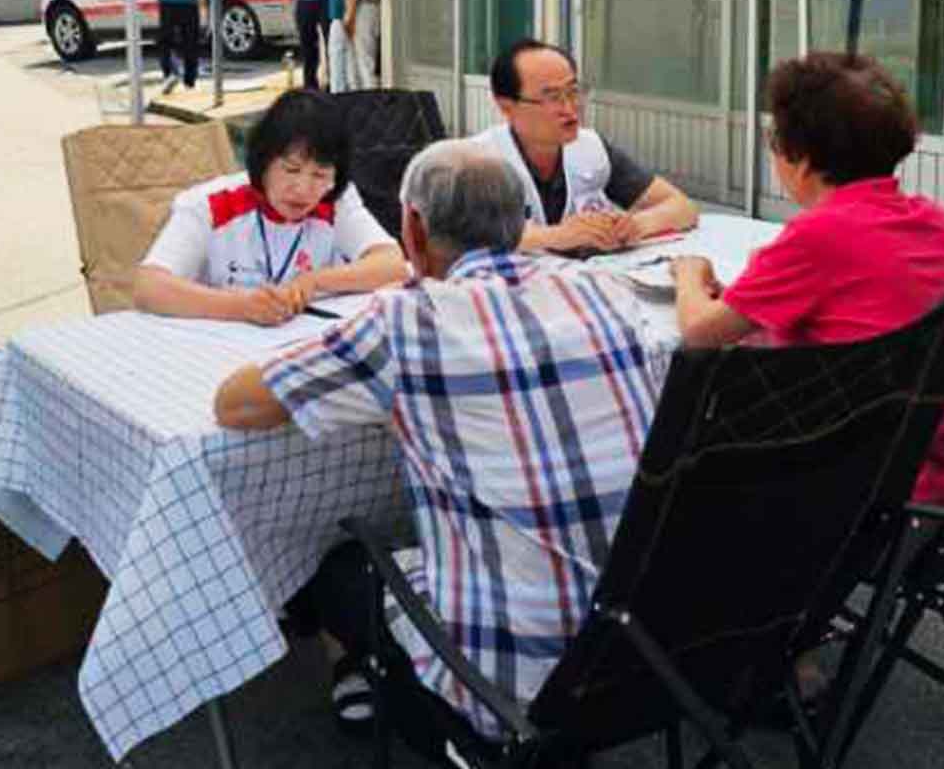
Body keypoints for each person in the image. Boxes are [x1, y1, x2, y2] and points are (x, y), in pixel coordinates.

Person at [214, 140, 661, 764]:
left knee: (335, 561)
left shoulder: (406, 322)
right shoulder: (604, 292)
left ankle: (436, 728)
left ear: (414, 228)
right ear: (518, 223)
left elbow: (235, 405)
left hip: (517, 690)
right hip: (651, 655)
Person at [671, 52, 944, 506]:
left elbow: (699, 333)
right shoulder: (932, 220)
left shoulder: (818, 236)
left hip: (871, 487)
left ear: (800, 159)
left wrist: (688, 274)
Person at [134, 89, 408, 325]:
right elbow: (149, 286)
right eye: (291, 170)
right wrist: (239, 307)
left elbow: (392, 263)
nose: (303, 189)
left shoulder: (336, 200)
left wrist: (313, 281)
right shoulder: (210, 202)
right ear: (263, 162)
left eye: (319, 175)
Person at [479, 38, 698, 254]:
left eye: (573, 91)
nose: (569, 108)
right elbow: (468, 236)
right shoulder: (476, 160)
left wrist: (636, 225)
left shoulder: (589, 148)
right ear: (506, 107)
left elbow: (681, 206)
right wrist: (557, 236)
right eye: (553, 97)